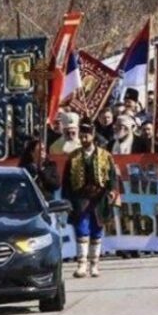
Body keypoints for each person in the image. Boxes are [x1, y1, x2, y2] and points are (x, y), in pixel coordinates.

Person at [62, 119, 119, 278]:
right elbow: (66, 180)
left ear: (93, 135)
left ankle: (94, 264)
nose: (84, 137)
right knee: (81, 230)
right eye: (82, 134)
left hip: (99, 198)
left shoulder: (105, 156)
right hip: (80, 198)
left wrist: (112, 190)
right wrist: (66, 199)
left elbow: (112, 177)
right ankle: (81, 264)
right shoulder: (73, 157)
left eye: (87, 134)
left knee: (97, 230)